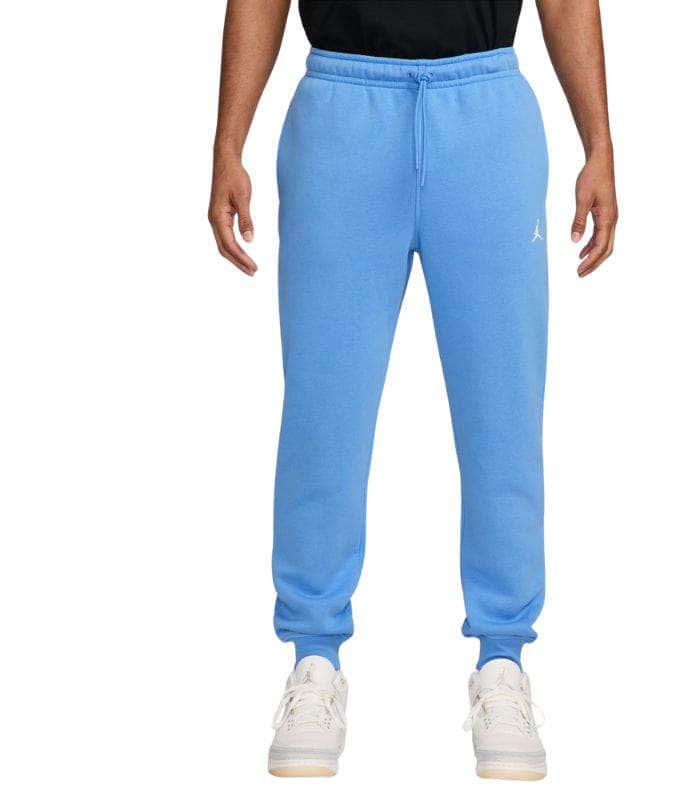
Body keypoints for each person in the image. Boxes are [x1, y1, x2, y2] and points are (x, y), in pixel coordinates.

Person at [209, 0, 617, 780]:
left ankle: (503, 661)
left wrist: (598, 142)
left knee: (503, 409)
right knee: (324, 412)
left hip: (487, 112)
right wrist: (229, 141)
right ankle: (314, 660)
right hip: (340, 112)